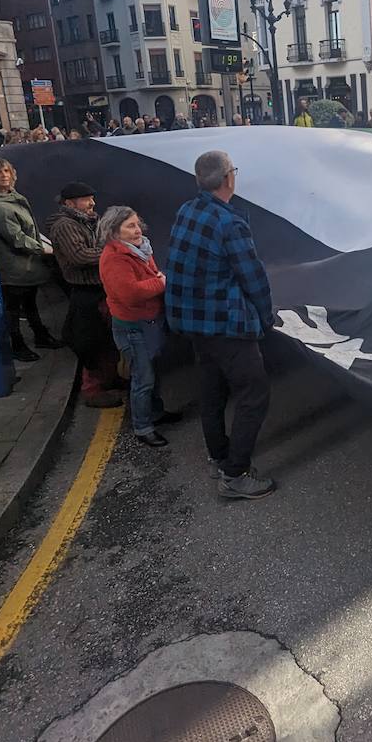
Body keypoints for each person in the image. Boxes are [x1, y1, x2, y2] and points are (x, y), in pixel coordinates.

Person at [165, 151, 276, 500]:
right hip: (226, 323)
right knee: (254, 393)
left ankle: (218, 456)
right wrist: (265, 317)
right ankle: (235, 474)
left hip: (194, 322)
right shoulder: (229, 223)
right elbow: (253, 277)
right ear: (229, 178)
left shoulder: (187, 210)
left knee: (212, 390)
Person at [99, 205, 181, 444]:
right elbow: (131, 294)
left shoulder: (141, 249)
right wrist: (161, 283)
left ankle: (155, 413)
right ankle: (142, 428)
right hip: (133, 327)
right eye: (130, 226)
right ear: (115, 231)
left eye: (137, 224)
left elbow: (151, 275)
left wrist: (156, 280)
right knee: (143, 378)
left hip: (149, 322)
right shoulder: (115, 259)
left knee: (152, 372)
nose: (137, 230)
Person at [0, 158, 61, 363]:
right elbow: (17, 238)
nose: (4, 175)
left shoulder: (13, 198)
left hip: (26, 264)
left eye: (7, 171)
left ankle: (40, 335)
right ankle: (18, 345)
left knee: (30, 303)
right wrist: (43, 249)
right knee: (14, 309)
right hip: (15, 266)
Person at [48, 182, 122, 408]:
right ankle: (92, 389)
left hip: (100, 288)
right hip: (85, 291)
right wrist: (114, 252)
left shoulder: (91, 221)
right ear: (70, 203)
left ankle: (109, 379)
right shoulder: (65, 226)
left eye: (92, 198)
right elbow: (79, 256)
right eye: (86, 199)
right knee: (89, 341)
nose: (92, 203)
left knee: (106, 338)